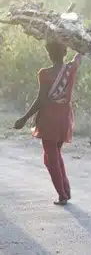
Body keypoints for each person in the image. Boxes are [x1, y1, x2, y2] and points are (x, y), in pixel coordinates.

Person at [14, 42, 83, 206]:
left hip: (49, 118)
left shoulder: (45, 73)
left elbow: (41, 100)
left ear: (49, 54)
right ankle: (65, 190)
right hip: (64, 117)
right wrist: (81, 45)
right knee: (55, 154)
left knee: (51, 158)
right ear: (64, 52)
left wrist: (24, 118)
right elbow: (80, 56)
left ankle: (62, 195)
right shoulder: (71, 69)